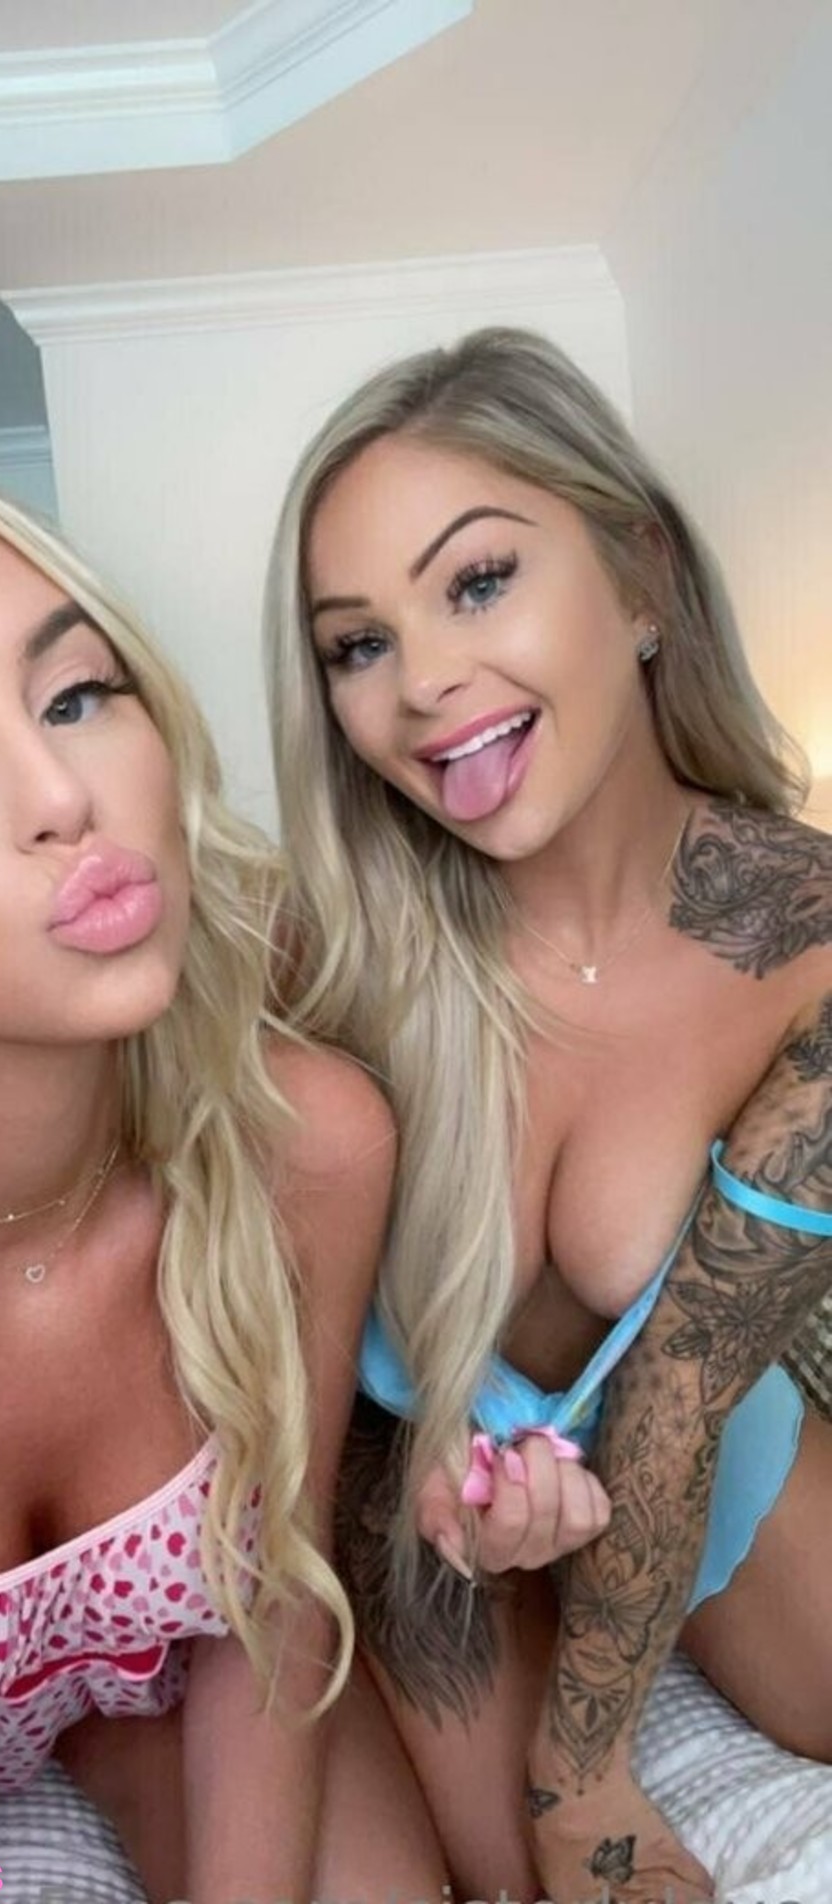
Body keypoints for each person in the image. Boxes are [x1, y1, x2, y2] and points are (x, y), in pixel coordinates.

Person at [0, 461, 447, 1901]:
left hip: (159, 1696)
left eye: (74, 694)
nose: (62, 794)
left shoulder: (305, 1146)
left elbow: (276, 1597)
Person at [263, 326, 832, 1903]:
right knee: (503, 1887)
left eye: (478, 581)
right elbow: (284, 1367)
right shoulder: (322, 960)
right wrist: (421, 1477)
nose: (422, 685)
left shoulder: (807, 942)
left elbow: (680, 1396)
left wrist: (586, 1778)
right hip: (426, 1523)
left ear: (643, 578)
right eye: (355, 644)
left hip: (713, 1457)